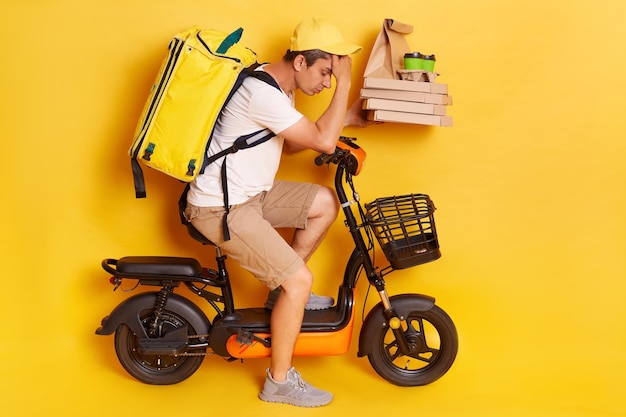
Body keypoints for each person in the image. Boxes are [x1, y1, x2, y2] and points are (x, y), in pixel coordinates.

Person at [184, 18, 365, 407]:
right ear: (299, 62)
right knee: (300, 282)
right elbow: (319, 140)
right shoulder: (260, 91)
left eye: (333, 77)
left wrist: (344, 118)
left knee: (323, 204)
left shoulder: (282, 89)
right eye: (325, 72)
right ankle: (279, 382)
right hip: (221, 206)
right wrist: (346, 88)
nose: (327, 83)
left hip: (251, 195)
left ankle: (279, 295)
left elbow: (298, 144)